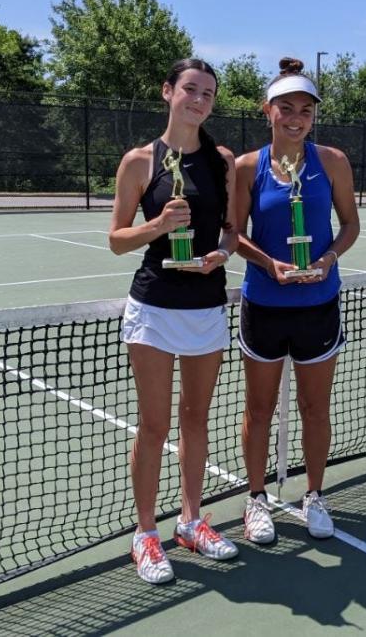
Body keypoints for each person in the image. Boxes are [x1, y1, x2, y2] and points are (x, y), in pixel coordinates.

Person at [109, 58, 239, 584]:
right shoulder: (139, 162)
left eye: (208, 93)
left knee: (196, 419)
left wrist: (223, 255)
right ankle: (145, 534)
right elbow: (117, 239)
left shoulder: (222, 160)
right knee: (155, 423)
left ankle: (190, 521)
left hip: (206, 306)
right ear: (168, 92)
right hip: (155, 309)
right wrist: (158, 225)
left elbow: (231, 229)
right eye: (190, 89)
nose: (200, 100)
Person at [234, 58, 360, 543]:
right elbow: (234, 232)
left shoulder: (333, 162)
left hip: (318, 306)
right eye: (286, 107)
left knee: (315, 408)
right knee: (258, 409)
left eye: (305, 110)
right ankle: (256, 500)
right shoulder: (248, 166)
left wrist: (326, 259)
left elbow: (350, 225)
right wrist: (271, 266)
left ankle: (314, 496)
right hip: (264, 305)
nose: (296, 117)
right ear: (267, 110)